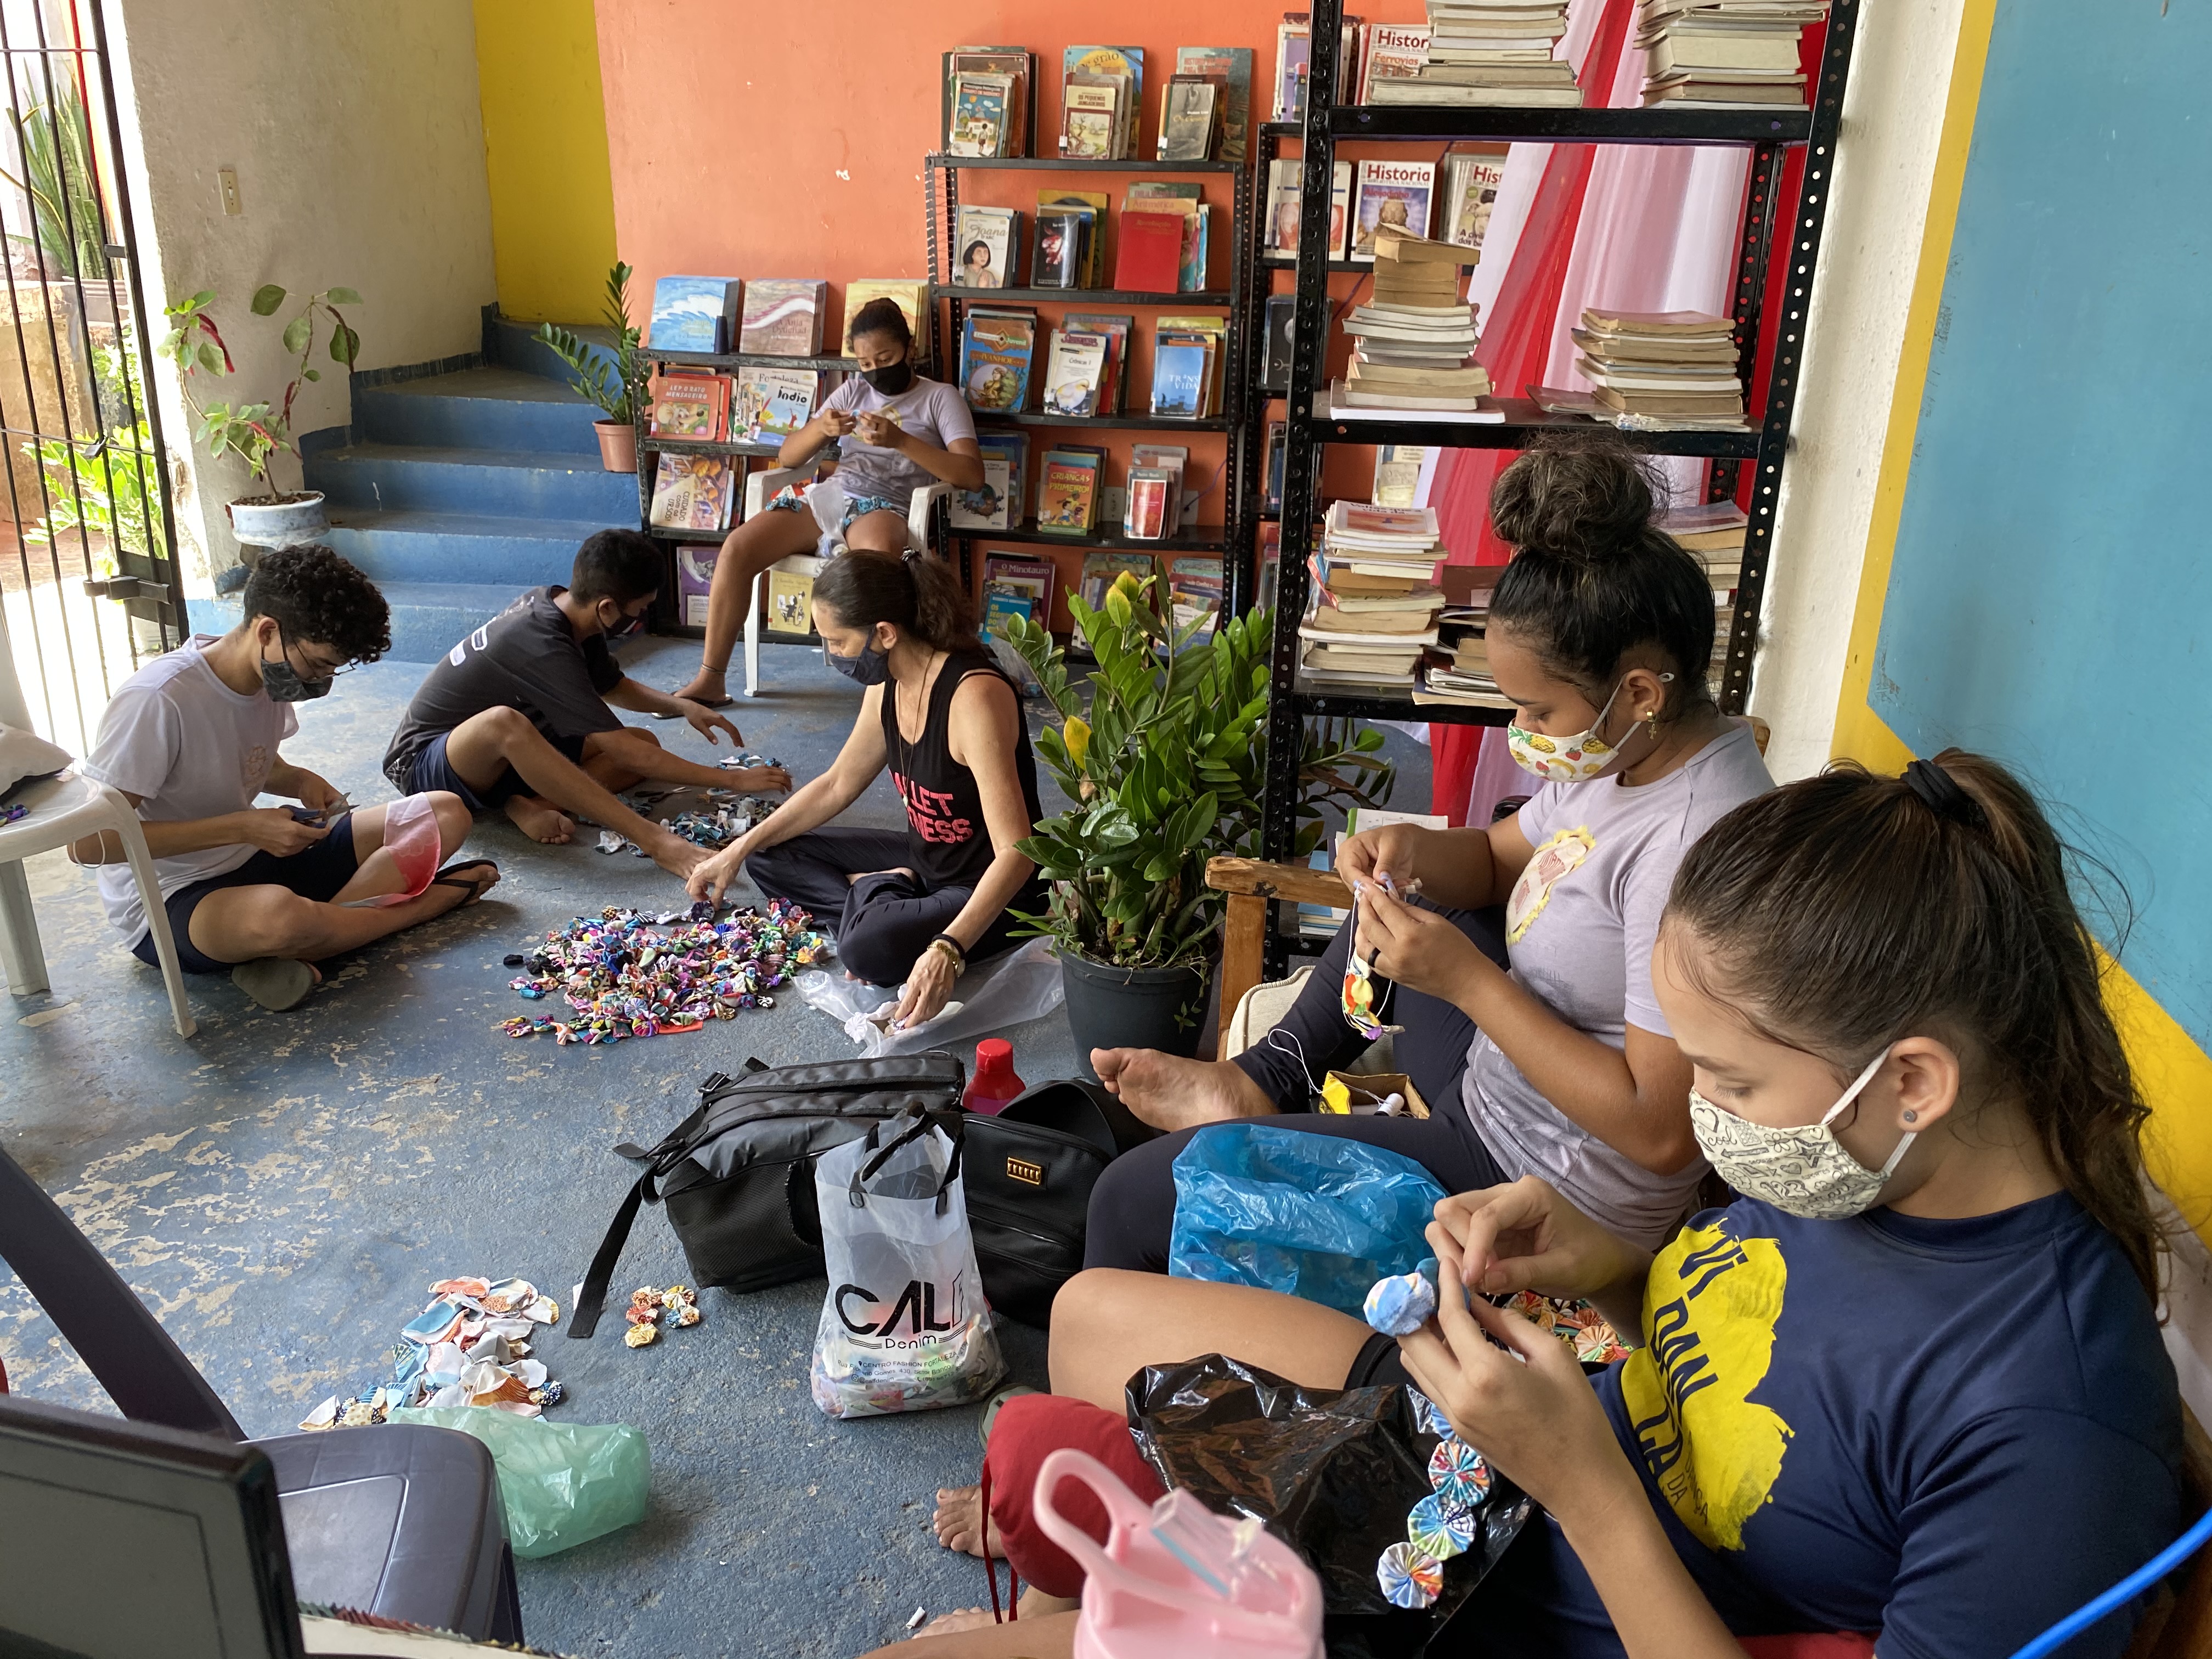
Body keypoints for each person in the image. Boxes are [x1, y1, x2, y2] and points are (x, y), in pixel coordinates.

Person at [904, 751, 2185, 1659]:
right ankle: (1106, 1582)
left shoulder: (2052, 1425)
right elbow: (1741, 1355)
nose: (1707, 1116)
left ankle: (1112, 1593)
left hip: (1510, 1578)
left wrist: (1581, 1487)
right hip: (1492, 1478)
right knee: (1093, 1313)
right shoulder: (1879, 1169)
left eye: (1733, 1083)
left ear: (1911, 1081)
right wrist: (1606, 1267)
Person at [1085, 438, 1775, 1272]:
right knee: (1417, 890)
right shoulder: (1632, 758)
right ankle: (1258, 1080)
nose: (1525, 734)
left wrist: (1469, 982)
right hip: (1498, 1084)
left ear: (1639, 693)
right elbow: (1494, 861)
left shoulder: (1692, 844)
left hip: (1542, 1184)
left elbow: (1662, 1136)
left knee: (1127, 1200)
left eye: (1539, 712)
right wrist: (1407, 849)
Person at [72, 544, 495, 1012]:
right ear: (268, 631)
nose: (321, 682)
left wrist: (298, 781)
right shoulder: (158, 699)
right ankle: (422, 906)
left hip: (256, 857)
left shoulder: (263, 681)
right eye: (317, 664)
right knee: (280, 918)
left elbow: (247, 759)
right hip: (175, 898)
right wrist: (243, 827)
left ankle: (316, 938)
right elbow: (89, 844)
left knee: (444, 812)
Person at [686, 547, 1041, 1029]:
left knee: (866, 950)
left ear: (885, 633)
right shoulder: (888, 684)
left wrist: (947, 948)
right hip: (925, 859)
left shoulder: (973, 697)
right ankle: (887, 895)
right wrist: (734, 851)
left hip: (992, 888)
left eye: (838, 642)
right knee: (768, 854)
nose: (834, 655)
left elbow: (1017, 854)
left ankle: (878, 897)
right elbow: (837, 784)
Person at [381, 528, 789, 881]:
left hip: (496, 759)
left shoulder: (570, 610)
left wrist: (682, 705)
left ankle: (530, 804)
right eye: (640, 610)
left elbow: (612, 685)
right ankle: (654, 841)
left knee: (643, 741)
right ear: (608, 608)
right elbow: (624, 752)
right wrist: (730, 782)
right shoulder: (542, 644)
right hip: (423, 765)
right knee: (505, 723)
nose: (640, 617)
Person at [673, 297, 984, 707]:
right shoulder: (853, 390)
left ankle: (885, 694)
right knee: (738, 548)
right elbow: (788, 457)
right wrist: (822, 428)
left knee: (876, 569)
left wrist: (901, 441)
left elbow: (971, 476)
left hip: (887, 504)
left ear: (910, 348)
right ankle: (711, 679)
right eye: (865, 363)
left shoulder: (940, 398)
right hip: (833, 495)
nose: (875, 371)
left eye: (885, 359)